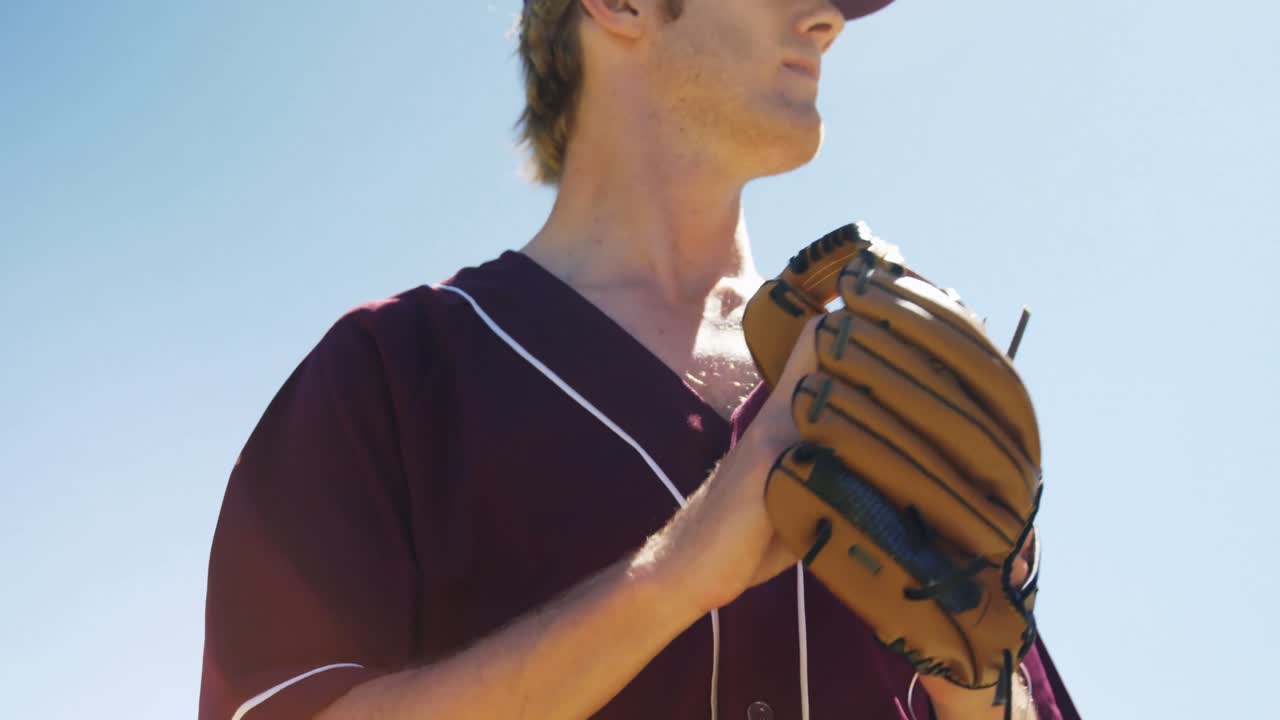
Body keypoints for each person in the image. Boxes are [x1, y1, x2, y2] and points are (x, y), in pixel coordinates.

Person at [199, 1, 1080, 718]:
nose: (828, 19)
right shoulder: (393, 373)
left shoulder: (880, 387)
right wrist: (672, 576)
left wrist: (982, 680)